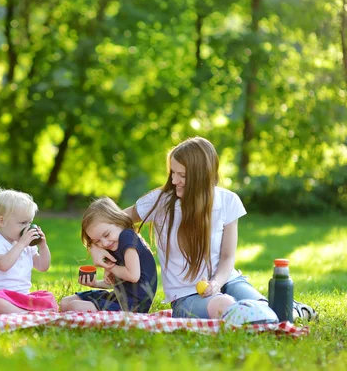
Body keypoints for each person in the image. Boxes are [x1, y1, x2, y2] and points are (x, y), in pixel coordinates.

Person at [89, 136, 316, 320]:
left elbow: (227, 257)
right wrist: (94, 246)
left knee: (265, 311)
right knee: (228, 306)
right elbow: (112, 220)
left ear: (201, 176)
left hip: (227, 281)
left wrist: (216, 283)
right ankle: (263, 310)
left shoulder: (228, 202)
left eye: (183, 175)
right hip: (186, 296)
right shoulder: (160, 202)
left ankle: (287, 309)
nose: (175, 180)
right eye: (173, 173)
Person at [60, 197, 157, 313]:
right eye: (97, 241)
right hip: (118, 298)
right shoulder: (113, 244)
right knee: (65, 303)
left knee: (75, 307)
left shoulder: (127, 237)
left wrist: (109, 266)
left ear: (119, 222)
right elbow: (116, 284)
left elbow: (133, 276)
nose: (104, 243)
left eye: (106, 234)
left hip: (132, 306)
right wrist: (95, 283)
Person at [0, 188, 58, 314]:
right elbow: (3, 265)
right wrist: (22, 244)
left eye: (29, 222)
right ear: (2, 221)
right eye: (23, 223)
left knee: (48, 297)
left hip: (22, 297)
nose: (27, 227)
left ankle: (25, 311)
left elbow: (43, 266)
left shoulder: (28, 246)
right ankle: (24, 314)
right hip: (0, 296)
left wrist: (43, 246)